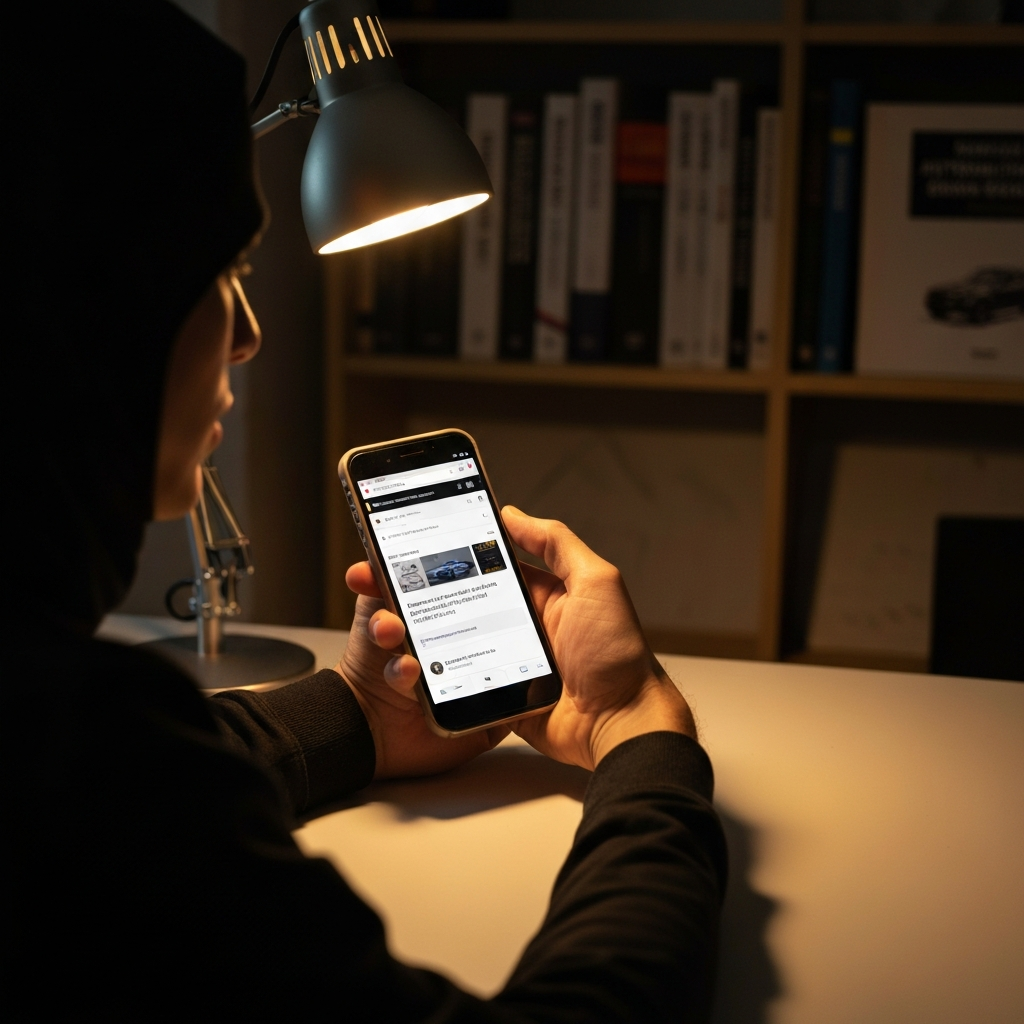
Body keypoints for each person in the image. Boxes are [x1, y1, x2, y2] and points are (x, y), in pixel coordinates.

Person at [8, 3, 726, 1019]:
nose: (251, 333)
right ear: (86, 315)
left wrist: (355, 713)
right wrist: (645, 745)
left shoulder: (64, 739)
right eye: (217, 273)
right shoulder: (78, 772)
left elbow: (116, 783)